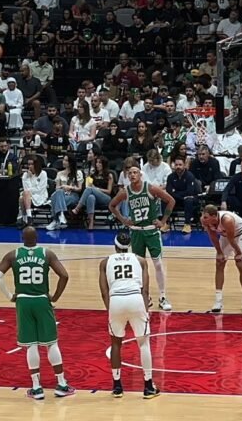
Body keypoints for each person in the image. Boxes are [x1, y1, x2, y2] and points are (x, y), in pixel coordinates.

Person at [0, 225, 75, 400]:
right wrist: (55, 297)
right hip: (42, 300)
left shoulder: (13, 255)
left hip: (23, 301)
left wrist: (9, 296)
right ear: (37, 237)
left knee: (31, 345)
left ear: (22, 238)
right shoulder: (47, 253)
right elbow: (64, 275)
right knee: (51, 343)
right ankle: (61, 384)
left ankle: (37, 388)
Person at [98, 231, 159, 399]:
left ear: (115, 246)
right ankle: (148, 386)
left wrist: (110, 310)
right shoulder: (140, 260)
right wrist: (145, 308)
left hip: (116, 300)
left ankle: (117, 386)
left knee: (116, 343)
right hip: (135, 298)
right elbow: (145, 289)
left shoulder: (105, 262)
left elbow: (104, 292)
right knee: (143, 343)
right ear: (129, 246)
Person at [109, 163, 176, 311]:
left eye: (135, 172)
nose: (132, 175)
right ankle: (145, 296)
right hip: (136, 231)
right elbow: (112, 205)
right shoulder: (126, 191)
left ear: (140, 175)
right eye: (130, 173)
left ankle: (163, 296)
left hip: (151, 231)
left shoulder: (150, 188)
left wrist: (163, 221)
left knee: (157, 264)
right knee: (138, 266)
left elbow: (171, 201)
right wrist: (123, 220)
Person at [200, 204, 242, 314]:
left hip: (240, 234)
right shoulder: (205, 221)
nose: (203, 219)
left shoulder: (227, 220)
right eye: (203, 216)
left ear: (214, 216)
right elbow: (213, 237)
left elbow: (232, 240)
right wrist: (219, 252)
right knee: (219, 263)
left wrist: (238, 253)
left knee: (240, 264)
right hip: (225, 236)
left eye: (206, 217)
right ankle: (218, 300)